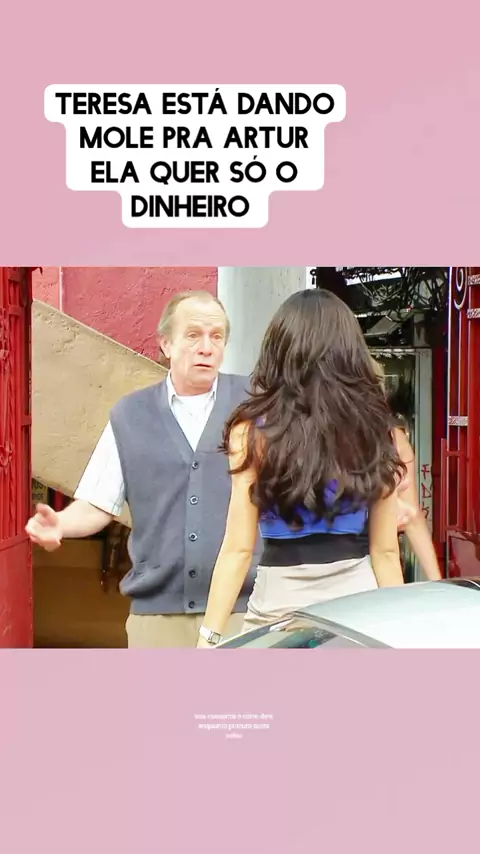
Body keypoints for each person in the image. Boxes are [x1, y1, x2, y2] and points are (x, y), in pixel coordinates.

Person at [26, 290, 261, 648]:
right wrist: (61, 523)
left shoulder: (255, 405)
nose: (206, 348)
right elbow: (99, 502)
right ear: (166, 344)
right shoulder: (130, 416)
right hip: (156, 621)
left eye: (216, 337)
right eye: (193, 335)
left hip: (243, 614)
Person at [196, 289, 407, 647]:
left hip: (277, 611)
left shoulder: (251, 433)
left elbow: (238, 549)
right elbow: (385, 553)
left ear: (279, 352)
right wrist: (399, 633)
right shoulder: (375, 429)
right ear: (349, 353)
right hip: (358, 611)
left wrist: (209, 637)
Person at [371, 359, 441, 580]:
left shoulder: (394, 440)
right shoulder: (394, 439)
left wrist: (437, 583)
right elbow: (411, 515)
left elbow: (411, 515)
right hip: (373, 563)